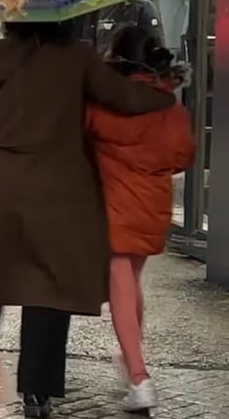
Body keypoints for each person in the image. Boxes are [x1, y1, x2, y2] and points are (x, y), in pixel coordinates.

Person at [0, 19, 175, 419]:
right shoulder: (77, 59)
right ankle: (37, 392)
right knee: (48, 288)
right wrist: (166, 95)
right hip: (58, 192)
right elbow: (125, 99)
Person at [85, 26, 194, 414]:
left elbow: (84, 138)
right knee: (132, 282)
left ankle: (138, 375)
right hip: (153, 207)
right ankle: (130, 361)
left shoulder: (104, 104)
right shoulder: (170, 107)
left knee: (121, 287)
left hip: (114, 206)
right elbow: (183, 158)